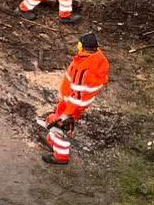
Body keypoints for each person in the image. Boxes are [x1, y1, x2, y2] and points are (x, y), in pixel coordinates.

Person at [42, 32, 110, 165]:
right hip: (77, 104)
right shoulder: (98, 58)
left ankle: (61, 155)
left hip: (70, 104)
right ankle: (60, 135)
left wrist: (66, 114)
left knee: (57, 126)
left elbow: (77, 97)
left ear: (82, 47)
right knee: (61, 121)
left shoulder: (83, 69)